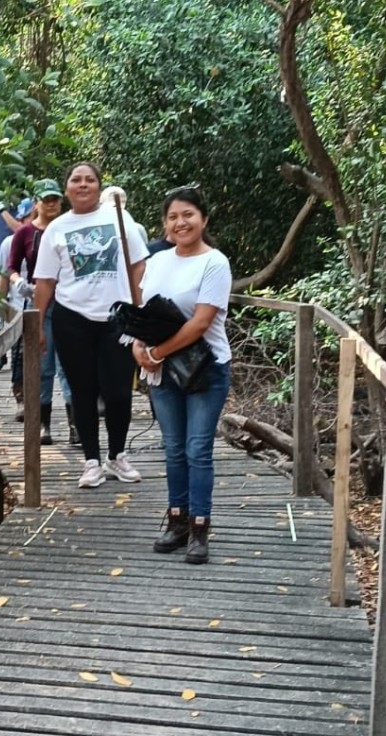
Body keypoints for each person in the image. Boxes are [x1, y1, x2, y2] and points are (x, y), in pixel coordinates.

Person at [132, 186, 232, 564]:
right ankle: (177, 521)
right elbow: (144, 312)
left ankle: (200, 528)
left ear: (204, 219)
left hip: (205, 369)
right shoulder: (157, 261)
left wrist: (155, 352)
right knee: (173, 448)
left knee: (197, 450)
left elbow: (201, 322)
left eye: (188, 214)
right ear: (165, 224)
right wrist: (137, 346)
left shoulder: (215, 263)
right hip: (162, 372)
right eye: (173, 217)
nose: (181, 222)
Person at [33, 162, 149, 488]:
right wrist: (37, 324)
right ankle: (91, 461)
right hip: (72, 318)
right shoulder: (57, 229)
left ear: (99, 186)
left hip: (117, 318)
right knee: (82, 391)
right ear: (67, 188)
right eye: (76, 179)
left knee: (118, 391)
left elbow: (139, 267)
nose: (83, 184)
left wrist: (141, 313)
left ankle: (116, 455)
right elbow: (45, 281)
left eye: (90, 179)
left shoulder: (119, 218)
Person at [3, 179, 78, 446]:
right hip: (40, 302)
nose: (51, 204)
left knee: (69, 365)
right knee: (44, 367)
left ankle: (75, 426)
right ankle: (44, 424)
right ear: (36, 202)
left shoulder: (70, 228)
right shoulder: (24, 233)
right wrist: (19, 284)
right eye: (46, 199)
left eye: (55, 199)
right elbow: (11, 267)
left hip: (70, 304)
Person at [0, 198, 35, 376]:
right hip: (18, 308)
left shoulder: (49, 237)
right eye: (28, 217)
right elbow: (4, 277)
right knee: (20, 360)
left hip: (44, 307)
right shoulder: (9, 243)